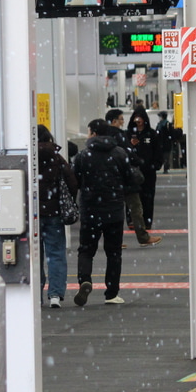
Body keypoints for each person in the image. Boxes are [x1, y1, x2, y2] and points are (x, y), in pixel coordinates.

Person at [71, 120, 140, 305]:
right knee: (114, 253)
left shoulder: (83, 155)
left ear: (93, 133)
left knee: (86, 250)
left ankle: (85, 280)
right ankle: (111, 293)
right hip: (114, 211)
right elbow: (130, 178)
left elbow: (75, 180)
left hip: (90, 211)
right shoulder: (119, 153)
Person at [105, 108, 161, 246]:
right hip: (126, 176)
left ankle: (114, 240)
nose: (123, 121)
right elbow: (127, 154)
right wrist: (139, 161)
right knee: (136, 206)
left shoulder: (105, 136)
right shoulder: (120, 135)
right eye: (121, 119)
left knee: (113, 208)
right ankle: (143, 236)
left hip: (110, 177)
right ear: (114, 121)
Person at [37, 125, 79, 308]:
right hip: (54, 213)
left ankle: (35, 294)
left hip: (32, 214)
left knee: (34, 256)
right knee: (55, 254)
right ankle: (55, 294)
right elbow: (72, 182)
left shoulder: (27, 157)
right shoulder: (57, 158)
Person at [126, 109, 161, 226]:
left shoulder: (152, 134)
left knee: (148, 198)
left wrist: (155, 165)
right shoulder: (128, 134)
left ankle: (146, 220)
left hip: (148, 172)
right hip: (132, 171)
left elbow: (157, 151)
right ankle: (132, 220)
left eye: (140, 118)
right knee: (132, 197)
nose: (138, 120)